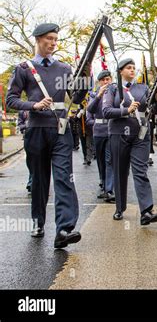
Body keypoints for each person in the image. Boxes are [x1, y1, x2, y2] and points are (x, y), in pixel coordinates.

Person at [6, 22, 89, 248]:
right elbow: (10, 100)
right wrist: (33, 105)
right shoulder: (24, 68)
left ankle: (64, 229)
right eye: (49, 39)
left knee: (64, 178)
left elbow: (78, 96)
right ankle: (38, 222)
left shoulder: (64, 69)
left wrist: (86, 74)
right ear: (38, 39)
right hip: (36, 130)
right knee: (40, 180)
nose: (53, 43)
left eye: (55, 39)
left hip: (61, 129)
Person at [102, 58, 157, 225]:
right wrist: (126, 110)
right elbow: (106, 111)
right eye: (129, 67)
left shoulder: (143, 88)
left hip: (140, 135)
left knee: (140, 171)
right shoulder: (112, 89)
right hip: (118, 133)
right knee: (120, 172)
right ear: (120, 71)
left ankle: (146, 211)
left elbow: (155, 110)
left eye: (134, 68)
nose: (132, 70)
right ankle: (120, 208)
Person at [87, 70, 115, 202]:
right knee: (100, 160)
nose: (106, 82)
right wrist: (98, 96)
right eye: (103, 80)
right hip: (98, 131)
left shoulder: (115, 92)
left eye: (108, 79)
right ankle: (103, 183)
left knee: (109, 160)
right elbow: (90, 110)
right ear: (99, 82)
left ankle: (109, 190)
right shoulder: (93, 95)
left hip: (111, 130)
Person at [17, 110, 32, 195]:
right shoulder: (22, 112)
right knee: (30, 161)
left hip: (42, 137)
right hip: (28, 138)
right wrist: (27, 126)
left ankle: (33, 183)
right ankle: (31, 182)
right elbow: (20, 124)